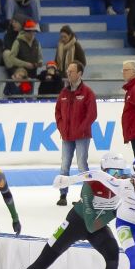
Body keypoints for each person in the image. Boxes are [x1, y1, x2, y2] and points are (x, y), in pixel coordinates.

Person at [54, 63, 96, 206]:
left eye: (71, 71)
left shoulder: (87, 92)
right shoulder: (64, 93)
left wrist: (80, 129)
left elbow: (92, 114)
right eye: (68, 71)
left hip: (82, 136)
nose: (68, 73)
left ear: (79, 73)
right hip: (67, 135)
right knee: (64, 165)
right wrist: (61, 127)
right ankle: (63, 195)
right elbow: (58, 112)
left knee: (82, 165)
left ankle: (86, 196)